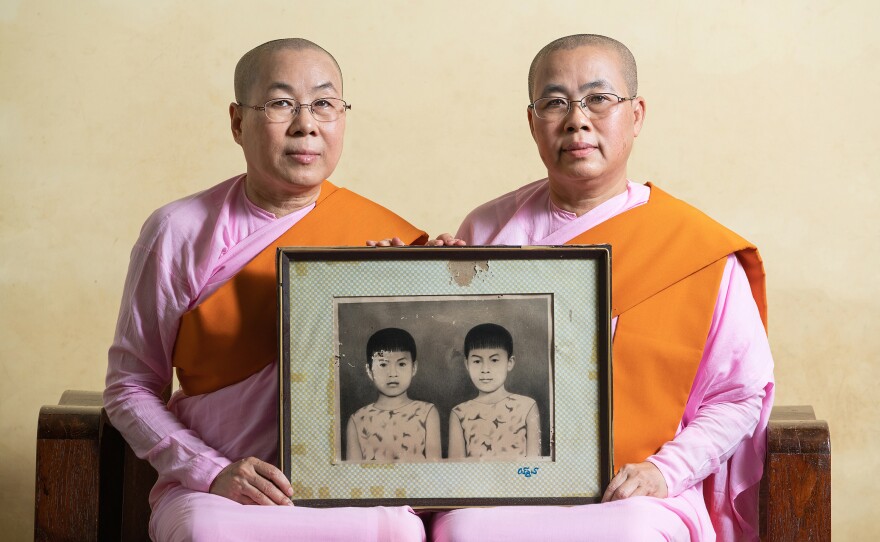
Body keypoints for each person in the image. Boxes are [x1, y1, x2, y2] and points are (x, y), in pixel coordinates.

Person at [429, 35, 774, 542]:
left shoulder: (696, 250)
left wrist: (664, 472)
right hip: (503, 484)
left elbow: (738, 395)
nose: (577, 119)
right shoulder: (486, 231)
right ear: (532, 123)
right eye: (555, 103)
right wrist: (427, 288)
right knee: (463, 529)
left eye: (598, 98)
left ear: (636, 115)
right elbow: (450, 374)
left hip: (636, 491)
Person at [103, 38, 428, 542]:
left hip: (351, 491)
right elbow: (129, 387)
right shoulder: (178, 231)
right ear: (237, 122)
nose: (306, 124)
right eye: (281, 104)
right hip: (215, 492)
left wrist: (445, 276)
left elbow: (431, 380)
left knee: (398, 531)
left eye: (324, 104)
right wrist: (211, 471)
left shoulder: (386, 237)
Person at [346, 328, 441, 462]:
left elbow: (435, 470)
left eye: (401, 364)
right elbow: (352, 475)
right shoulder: (357, 420)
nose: (392, 373)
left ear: (414, 368)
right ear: (369, 370)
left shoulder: (427, 413)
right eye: (383, 364)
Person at [447, 323, 541, 459]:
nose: (485, 369)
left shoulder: (527, 407)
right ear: (467, 364)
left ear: (510, 362)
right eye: (477, 361)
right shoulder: (459, 413)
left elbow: (535, 466)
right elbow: (457, 471)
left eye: (494, 360)